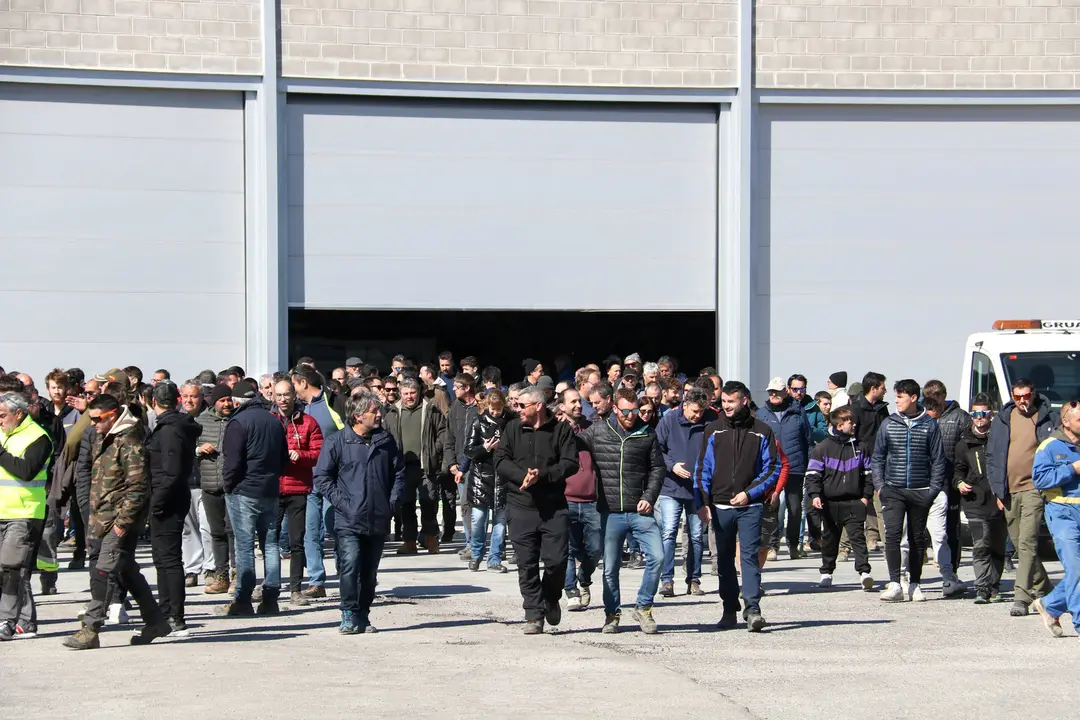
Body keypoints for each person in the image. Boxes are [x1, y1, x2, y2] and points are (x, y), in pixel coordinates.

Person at [63, 394, 170, 649]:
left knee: (104, 569)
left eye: (97, 419)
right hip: (104, 517)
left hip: (121, 521)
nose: (92, 424)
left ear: (111, 416)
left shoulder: (129, 441)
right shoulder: (105, 437)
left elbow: (138, 488)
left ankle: (91, 628)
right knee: (126, 570)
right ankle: (155, 621)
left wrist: (123, 522)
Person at [315, 390, 405, 634]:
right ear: (357, 416)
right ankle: (348, 613)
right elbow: (322, 478)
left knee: (369, 570)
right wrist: (343, 503)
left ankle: (363, 615)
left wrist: (392, 502)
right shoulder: (337, 442)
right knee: (350, 565)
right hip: (348, 519)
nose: (379, 415)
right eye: (373, 411)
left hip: (378, 516)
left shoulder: (385, 441)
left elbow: (398, 473)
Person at [695, 381, 781, 632]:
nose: (726, 406)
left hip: (750, 506)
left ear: (744, 400)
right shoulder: (713, 430)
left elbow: (772, 468)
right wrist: (703, 502)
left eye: (730, 401)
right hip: (720, 507)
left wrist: (749, 493)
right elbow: (702, 469)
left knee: (749, 558)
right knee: (723, 561)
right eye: (723, 402)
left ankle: (753, 609)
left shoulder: (762, 431)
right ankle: (729, 608)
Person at [494, 385, 577, 635]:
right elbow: (500, 460)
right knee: (526, 564)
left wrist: (542, 476)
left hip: (553, 507)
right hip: (520, 507)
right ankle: (533, 614)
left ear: (538, 406)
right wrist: (524, 477)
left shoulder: (561, 430)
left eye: (521, 405)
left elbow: (570, 463)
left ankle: (550, 597)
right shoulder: (511, 428)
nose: (516, 409)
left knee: (557, 561)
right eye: (515, 405)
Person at [582, 389, 665, 634]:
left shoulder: (647, 433)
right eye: (625, 411)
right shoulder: (598, 431)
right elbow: (573, 444)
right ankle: (612, 614)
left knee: (658, 557)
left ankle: (644, 606)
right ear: (615, 408)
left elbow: (658, 469)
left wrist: (649, 497)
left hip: (640, 510)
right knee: (610, 567)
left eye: (635, 411)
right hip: (610, 512)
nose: (631, 415)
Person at [872, 379, 946, 603]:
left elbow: (938, 460)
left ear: (913, 398)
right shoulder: (888, 423)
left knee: (916, 539)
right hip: (893, 489)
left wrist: (932, 490)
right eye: (896, 396)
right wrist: (880, 486)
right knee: (893, 536)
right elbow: (878, 458)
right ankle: (895, 583)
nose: (896, 401)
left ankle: (915, 584)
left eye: (901, 397)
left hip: (920, 490)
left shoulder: (929, 424)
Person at [987, 377, 1056, 618]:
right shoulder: (1003, 419)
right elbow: (993, 455)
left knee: (1027, 542)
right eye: (1017, 397)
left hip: (1035, 489)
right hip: (1008, 491)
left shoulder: (1047, 418)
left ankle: (1021, 596)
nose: (1022, 401)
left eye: (1026, 396)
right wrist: (997, 488)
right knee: (1019, 543)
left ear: (1033, 394)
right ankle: (1046, 589)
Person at [218, 380, 288, 617]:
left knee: (245, 546)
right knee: (270, 544)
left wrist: (228, 485)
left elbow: (232, 461)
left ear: (237, 401)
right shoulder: (274, 420)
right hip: (269, 489)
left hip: (244, 491)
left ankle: (243, 598)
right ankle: (271, 598)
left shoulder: (238, 422)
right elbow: (284, 459)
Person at [145, 382, 200, 635]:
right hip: (170, 496)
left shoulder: (169, 430)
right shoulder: (174, 426)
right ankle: (166, 611)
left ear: (153, 402)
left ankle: (174, 615)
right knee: (163, 559)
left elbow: (171, 472)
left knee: (168, 560)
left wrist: (155, 502)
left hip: (168, 499)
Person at [806, 406, 875, 591]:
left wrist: (866, 497)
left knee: (858, 538)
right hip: (830, 503)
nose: (853, 425)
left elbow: (869, 474)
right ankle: (827, 573)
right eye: (849, 422)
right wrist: (815, 495)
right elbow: (813, 475)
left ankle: (864, 573)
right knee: (829, 540)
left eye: (853, 421)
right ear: (838, 425)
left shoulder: (861, 447)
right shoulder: (822, 448)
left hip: (854, 501)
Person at [0, 392, 51, 641]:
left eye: (2, 415)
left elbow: (26, 471)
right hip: (1, 511)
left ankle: (7, 620)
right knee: (13, 570)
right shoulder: (3, 434)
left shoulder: (38, 438)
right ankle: (26, 622)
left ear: (18, 414)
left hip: (24, 513)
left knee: (12, 568)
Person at [655, 388, 715, 598]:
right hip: (671, 486)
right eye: (695, 411)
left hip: (697, 488)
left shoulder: (710, 421)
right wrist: (672, 466)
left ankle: (695, 579)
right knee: (669, 533)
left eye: (701, 412)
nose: (698, 415)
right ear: (685, 403)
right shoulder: (668, 420)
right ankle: (667, 580)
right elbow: (657, 450)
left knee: (697, 536)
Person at [383, 377, 452, 555]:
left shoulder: (430, 409)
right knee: (406, 506)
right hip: (402, 468)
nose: (409, 397)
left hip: (426, 466)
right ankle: (409, 541)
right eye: (405, 393)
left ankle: (430, 540)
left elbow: (443, 431)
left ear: (418, 392)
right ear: (400, 394)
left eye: (412, 393)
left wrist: (435, 450)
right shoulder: (392, 412)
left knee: (429, 503)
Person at [292, 364, 343, 600]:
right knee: (310, 532)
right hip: (309, 482)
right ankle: (316, 581)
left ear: (303, 383)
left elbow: (350, 436)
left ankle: (347, 574)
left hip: (335, 481)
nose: (293, 389)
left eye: (294, 384)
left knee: (337, 528)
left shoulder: (334, 402)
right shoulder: (298, 409)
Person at [1031, 400, 1080, 638]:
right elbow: (1040, 480)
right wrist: (1072, 469)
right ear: (1066, 422)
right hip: (1062, 513)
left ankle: (1051, 605)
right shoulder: (1049, 447)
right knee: (1076, 569)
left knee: (1077, 573)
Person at [272, 378, 323, 606]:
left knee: (297, 542)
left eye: (286, 395)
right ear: (273, 397)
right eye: (279, 395)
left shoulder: (308, 422)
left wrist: (300, 456)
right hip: (272, 489)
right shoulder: (269, 421)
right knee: (269, 542)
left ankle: (296, 589)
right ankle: (269, 586)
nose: (283, 399)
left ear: (294, 395)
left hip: (298, 488)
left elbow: (319, 453)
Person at [954, 394, 1007, 604]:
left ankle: (994, 586)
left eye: (983, 413)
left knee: (997, 545)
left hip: (998, 501)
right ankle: (982, 587)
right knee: (980, 544)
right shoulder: (964, 443)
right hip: (974, 502)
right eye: (975, 414)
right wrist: (958, 483)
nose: (979, 418)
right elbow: (957, 470)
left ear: (990, 415)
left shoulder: (1000, 439)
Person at [921, 379, 970, 597]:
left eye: (936, 397)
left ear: (943, 396)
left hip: (950, 481)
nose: (933, 402)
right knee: (920, 529)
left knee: (950, 529)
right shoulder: (921, 416)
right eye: (928, 399)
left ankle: (951, 573)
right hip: (924, 481)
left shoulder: (960, 417)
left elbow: (966, 450)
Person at [755, 378, 812, 561]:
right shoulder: (761, 414)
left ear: (785, 392)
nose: (773, 394)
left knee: (795, 509)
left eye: (777, 391)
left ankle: (793, 544)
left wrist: (810, 465)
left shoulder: (798, 411)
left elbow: (808, 440)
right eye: (770, 391)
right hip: (771, 467)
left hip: (795, 466)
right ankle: (772, 545)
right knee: (773, 507)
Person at [556, 388, 600, 610]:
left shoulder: (592, 429)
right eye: (573, 402)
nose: (578, 405)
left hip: (592, 500)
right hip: (566, 498)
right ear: (562, 406)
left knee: (595, 548)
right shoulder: (556, 432)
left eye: (580, 401)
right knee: (568, 548)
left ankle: (585, 577)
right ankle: (571, 589)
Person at [464, 389, 511, 572]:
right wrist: (484, 447)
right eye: (492, 409)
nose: (495, 413)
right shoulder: (478, 422)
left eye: (498, 409)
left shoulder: (510, 422)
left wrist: (503, 448)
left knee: (500, 521)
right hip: (481, 476)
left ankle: (494, 559)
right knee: (478, 519)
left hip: (502, 477)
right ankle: (476, 554)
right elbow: (468, 450)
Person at [194, 384, 235, 595]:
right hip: (210, 485)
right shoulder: (200, 422)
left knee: (233, 531)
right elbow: (187, 447)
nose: (227, 404)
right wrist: (198, 449)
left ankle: (237, 574)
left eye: (229, 399)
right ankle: (221, 576)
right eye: (222, 400)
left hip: (233, 485)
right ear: (214, 402)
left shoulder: (237, 420)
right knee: (216, 532)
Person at [850, 372, 888, 551]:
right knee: (857, 503)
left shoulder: (882, 408)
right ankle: (846, 545)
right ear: (873, 389)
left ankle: (878, 539)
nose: (885, 391)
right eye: (882, 388)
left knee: (880, 502)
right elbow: (852, 438)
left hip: (880, 462)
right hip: (860, 463)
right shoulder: (856, 409)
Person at [446, 373, 478, 546]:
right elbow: (449, 437)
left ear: (467, 388)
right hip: (460, 465)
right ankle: (470, 543)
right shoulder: (454, 407)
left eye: (457, 386)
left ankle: (489, 544)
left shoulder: (480, 407)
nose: (453, 388)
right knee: (465, 505)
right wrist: (451, 462)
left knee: (484, 506)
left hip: (480, 464)